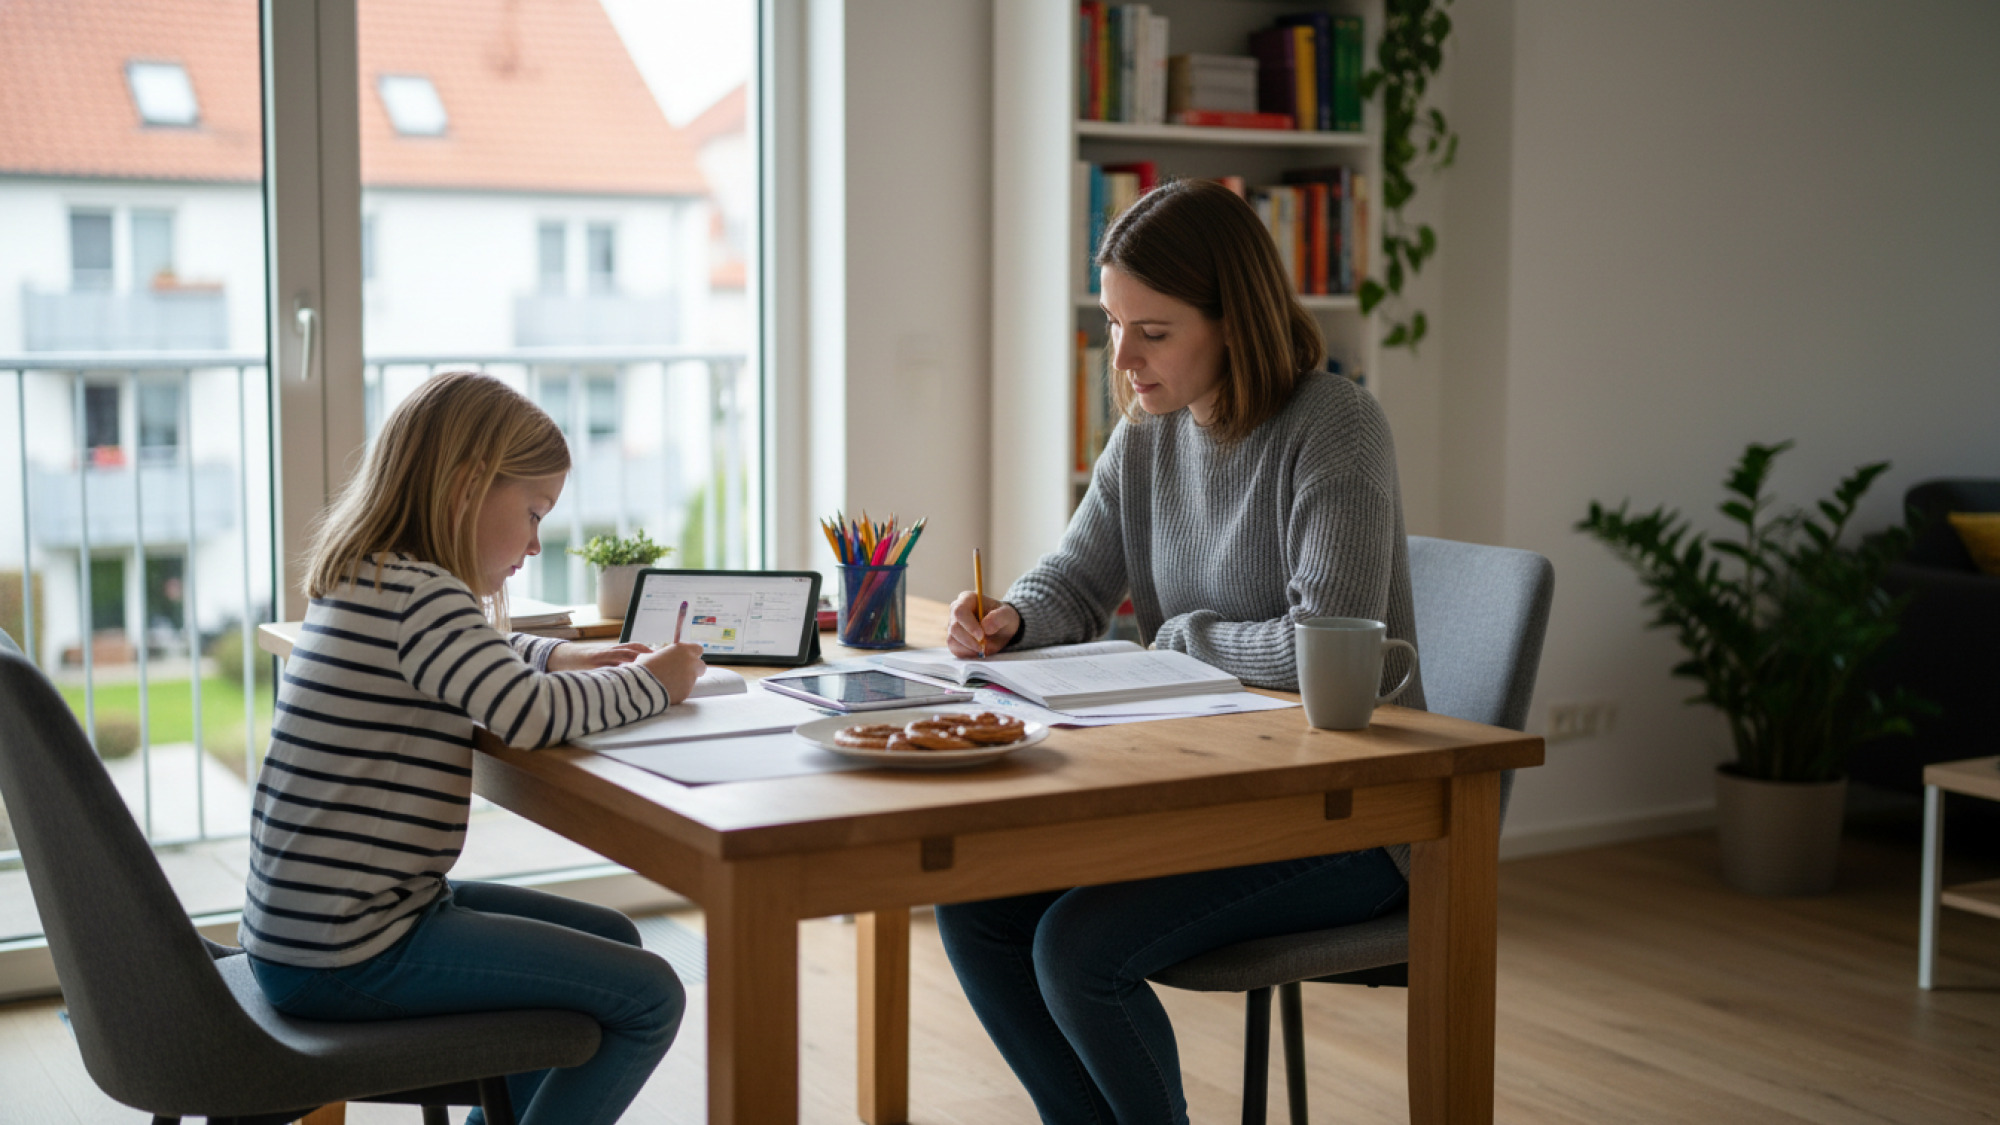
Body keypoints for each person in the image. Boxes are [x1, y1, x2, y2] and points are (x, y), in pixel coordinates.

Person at [938, 177, 1425, 1124]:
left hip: (1352, 817)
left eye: (1152, 331)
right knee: (978, 909)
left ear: (1234, 321)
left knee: (1078, 949)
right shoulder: (1148, 433)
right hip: (1217, 793)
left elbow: (1331, 642)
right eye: (1115, 324)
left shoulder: (1336, 426)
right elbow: (1076, 579)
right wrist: (1012, 618)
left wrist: (1181, 639)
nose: (1123, 357)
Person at [240, 371, 706, 1125]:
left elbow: (479, 651)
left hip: (315, 930)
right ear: (466, 487)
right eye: (532, 512)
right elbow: (527, 714)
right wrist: (657, 681)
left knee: (614, 936)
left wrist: (563, 655)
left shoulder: (374, 576)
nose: (535, 542)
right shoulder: (421, 596)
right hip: (354, 949)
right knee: (650, 996)